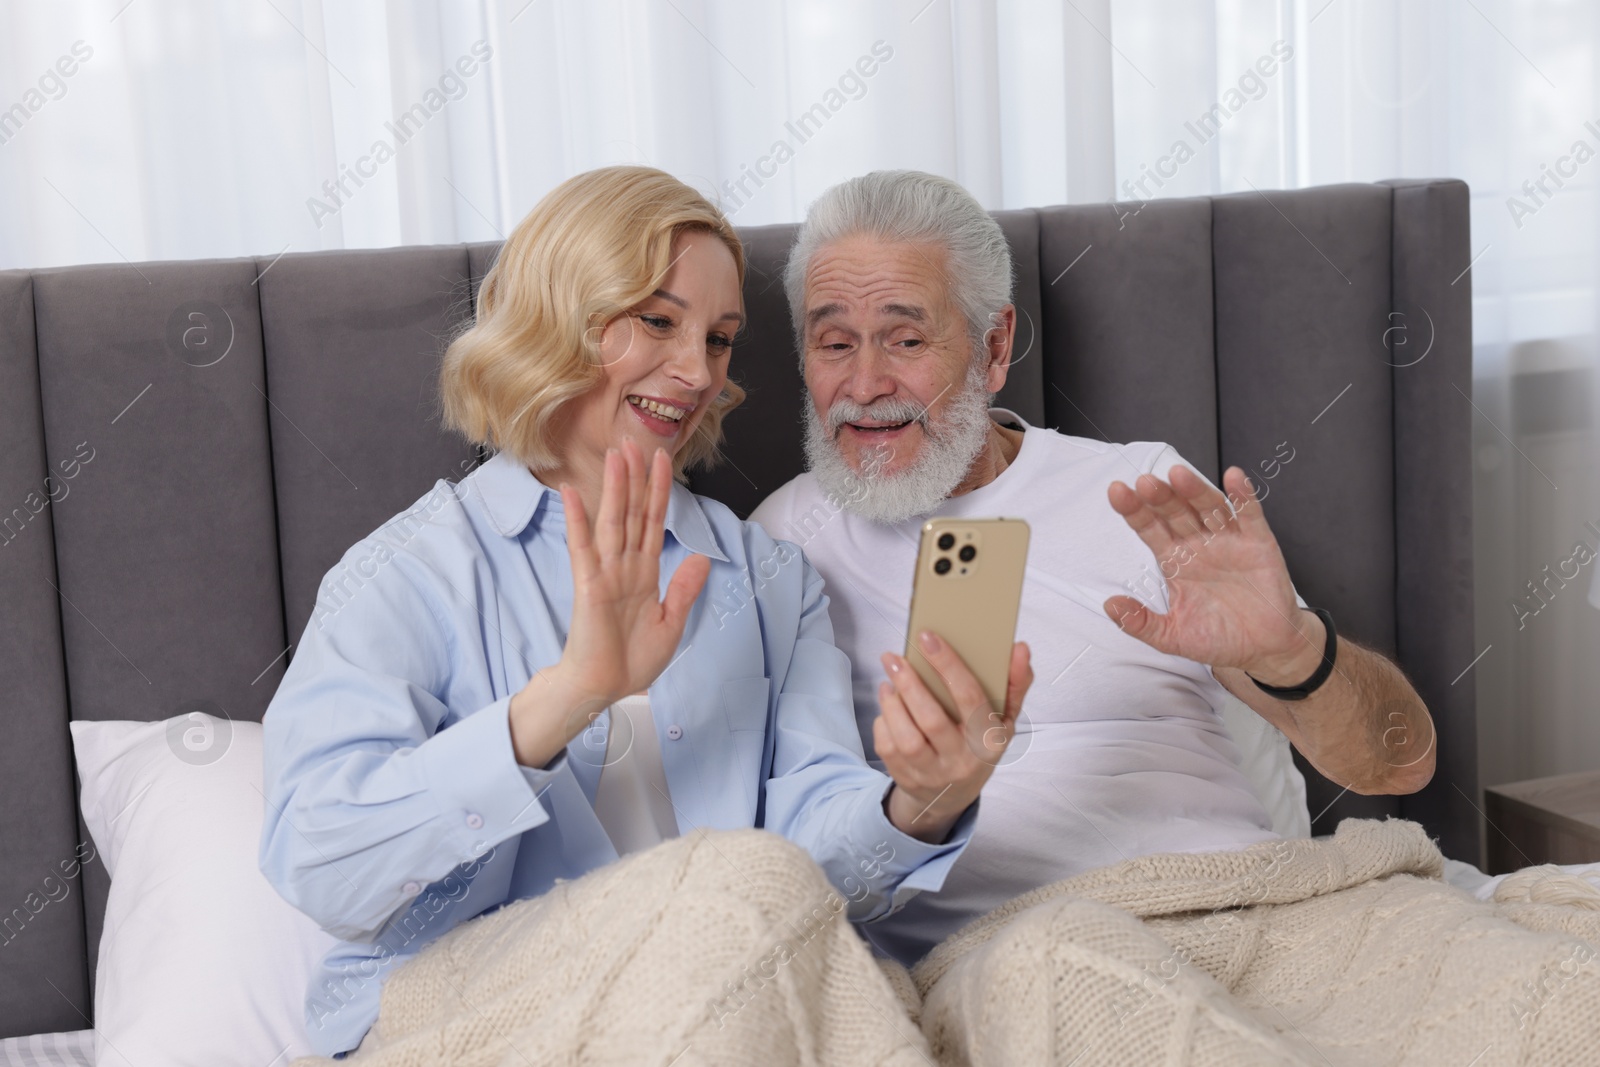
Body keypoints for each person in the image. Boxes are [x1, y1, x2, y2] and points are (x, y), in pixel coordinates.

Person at [258, 165, 1032, 1058]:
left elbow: (809, 866)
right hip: (463, 1017)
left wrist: (918, 806)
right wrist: (567, 696)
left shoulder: (768, 574)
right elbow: (320, 863)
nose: (696, 369)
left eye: (721, 338)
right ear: (558, 315)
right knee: (729, 898)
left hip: (724, 999)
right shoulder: (411, 572)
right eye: (658, 321)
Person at [750, 169, 1437, 965]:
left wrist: (1293, 653)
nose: (864, 386)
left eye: (906, 339)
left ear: (995, 347)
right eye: (834, 342)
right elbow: (798, 870)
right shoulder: (781, 548)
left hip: (1251, 912)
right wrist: (925, 796)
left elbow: (1401, 763)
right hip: (1023, 961)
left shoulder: (1145, 493)